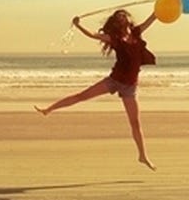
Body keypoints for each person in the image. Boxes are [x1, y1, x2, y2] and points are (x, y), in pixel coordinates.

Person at [35, 9, 158, 171]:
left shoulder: (136, 32)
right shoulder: (114, 38)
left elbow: (153, 17)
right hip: (114, 80)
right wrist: (78, 25)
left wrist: (161, 6)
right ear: (117, 22)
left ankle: (142, 156)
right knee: (81, 96)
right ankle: (49, 109)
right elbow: (93, 35)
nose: (123, 18)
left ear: (128, 19)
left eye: (124, 15)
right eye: (119, 17)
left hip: (130, 86)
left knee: (135, 123)